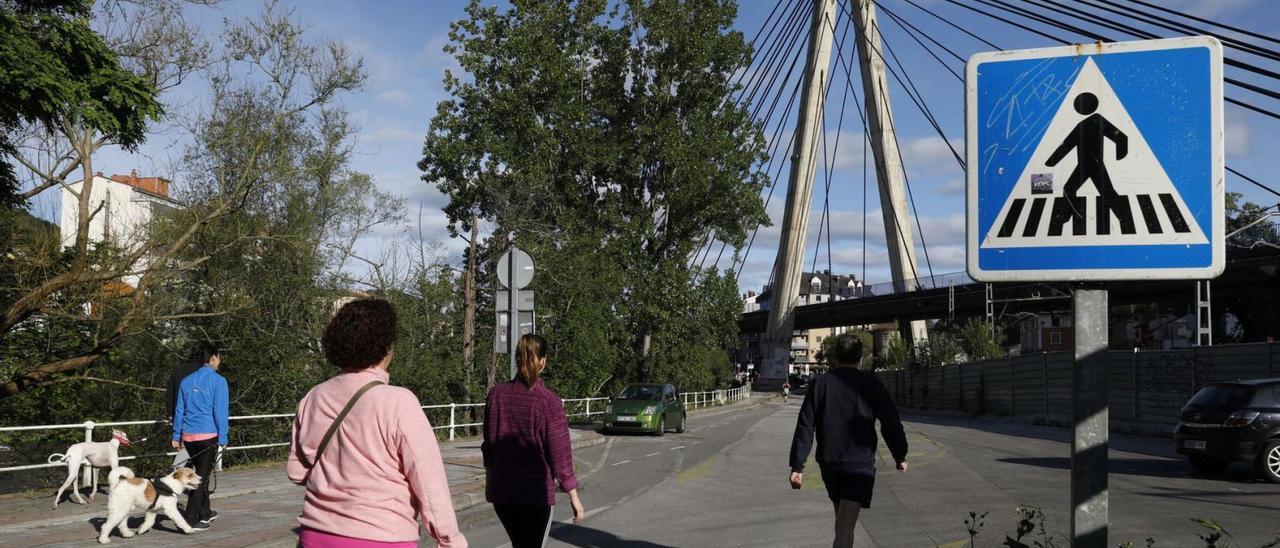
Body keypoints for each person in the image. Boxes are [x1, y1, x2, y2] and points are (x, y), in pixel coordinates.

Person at [286, 298, 466, 548]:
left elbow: (296, 472)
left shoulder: (313, 397)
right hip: (381, 536)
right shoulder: (399, 402)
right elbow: (428, 482)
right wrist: (450, 539)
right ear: (386, 348)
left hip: (316, 535)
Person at [788, 333, 908, 548]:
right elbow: (890, 420)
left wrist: (798, 465)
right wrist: (900, 453)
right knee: (844, 527)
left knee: (843, 524)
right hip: (859, 465)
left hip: (830, 464)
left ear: (835, 356)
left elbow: (805, 425)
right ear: (860, 357)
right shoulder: (871, 383)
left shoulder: (820, 384)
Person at [483, 334, 586, 547]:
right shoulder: (548, 401)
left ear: (517, 359)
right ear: (543, 361)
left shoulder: (496, 395)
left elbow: (490, 447)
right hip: (535, 494)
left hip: (502, 493)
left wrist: (490, 483)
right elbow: (560, 454)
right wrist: (573, 495)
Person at [170, 341, 228, 530]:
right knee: (200, 479)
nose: (219, 361)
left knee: (200, 474)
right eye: (218, 357)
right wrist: (224, 437)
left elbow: (179, 410)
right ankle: (189, 518)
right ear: (212, 358)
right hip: (208, 436)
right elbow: (220, 411)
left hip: (188, 436)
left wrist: (176, 435)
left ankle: (205, 512)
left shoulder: (187, 381)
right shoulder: (218, 381)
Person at [166, 344, 213, 469]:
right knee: (191, 452)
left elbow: (170, 393)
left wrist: (170, 414)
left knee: (186, 448)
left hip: (178, 415)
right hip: (197, 418)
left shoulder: (178, 369)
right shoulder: (203, 372)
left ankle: (188, 480)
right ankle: (176, 474)